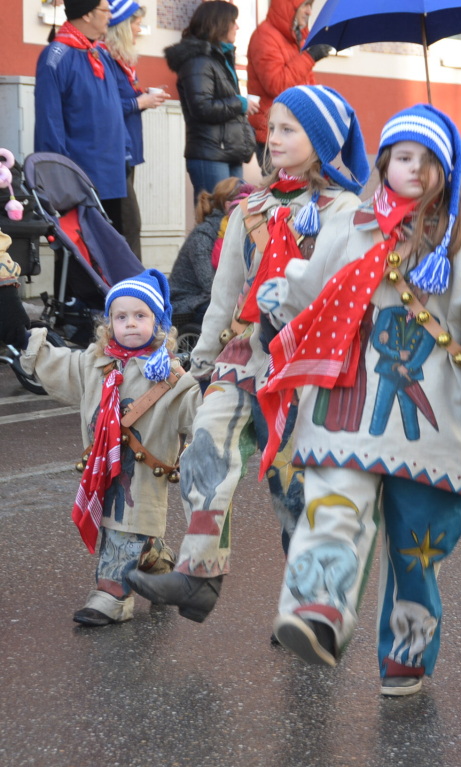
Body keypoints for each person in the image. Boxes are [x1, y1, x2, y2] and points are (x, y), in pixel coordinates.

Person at [253, 104, 461, 691]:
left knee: (418, 546)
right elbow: (312, 283)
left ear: (447, 172)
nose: (414, 169)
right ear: (383, 163)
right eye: (403, 157)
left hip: (426, 419)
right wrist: (279, 313)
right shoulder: (351, 226)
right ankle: (318, 610)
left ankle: (407, 651)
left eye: (429, 160)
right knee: (332, 506)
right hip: (346, 399)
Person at [126, 85, 370, 624]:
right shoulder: (249, 210)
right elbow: (223, 295)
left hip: (301, 367)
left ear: (323, 142)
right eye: (272, 128)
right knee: (205, 451)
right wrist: (202, 361)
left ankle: (309, 605)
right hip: (241, 356)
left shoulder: (344, 211)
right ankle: (198, 575)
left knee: (293, 487)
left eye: (289, 129)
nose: (273, 138)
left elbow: (340, 293)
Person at [17, 269, 200, 626]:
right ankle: (157, 563)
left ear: (158, 322)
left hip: (143, 477)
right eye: (121, 316)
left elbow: (200, 411)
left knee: (125, 528)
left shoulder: (173, 378)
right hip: (102, 472)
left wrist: (215, 392)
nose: (130, 323)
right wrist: (25, 340)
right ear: (109, 324)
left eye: (140, 316)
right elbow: (59, 365)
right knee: (118, 527)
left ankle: (112, 596)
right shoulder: (95, 364)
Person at [34, 0, 131, 236]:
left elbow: (112, 110)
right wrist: (59, 176)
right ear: (87, 15)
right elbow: (49, 122)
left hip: (111, 174)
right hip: (79, 178)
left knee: (111, 253)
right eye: (104, 10)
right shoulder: (56, 56)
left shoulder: (99, 53)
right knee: (81, 258)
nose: (110, 15)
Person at [165, 0, 257, 204]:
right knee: (213, 221)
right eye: (233, 21)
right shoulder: (199, 61)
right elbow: (202, 107)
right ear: (219, 23)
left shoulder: (219, 58)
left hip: (228, 152)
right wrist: (240, 103)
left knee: (232, 220)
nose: (237, 27)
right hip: (210, 154)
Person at [105, 0, 167, 260]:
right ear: (122, 27)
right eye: (137, 24)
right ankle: (132, 286)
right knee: (129, 223)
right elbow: (103, 106)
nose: (140, 30)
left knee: (127, 223)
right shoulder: (105, 59)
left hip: (126, 150)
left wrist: (143, 100)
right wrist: (139, 101)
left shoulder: (120, 61)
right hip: (114, 152)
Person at [247, 0, 333, 166]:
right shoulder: (265, 36)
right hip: (274, 136)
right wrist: (310, 57)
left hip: (296, 131)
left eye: (310, 6)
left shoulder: (295, 37)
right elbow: (276, 84)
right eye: (305, 5)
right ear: (289, 6)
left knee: (302, 190)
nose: (309, 12)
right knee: (281, 190)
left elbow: (305, 82)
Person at [168, 176, 252, 321]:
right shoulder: (204, 234)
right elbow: (209, 284)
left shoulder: (238, 230)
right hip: (186, 301)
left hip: (206, 297)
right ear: (228, 205)